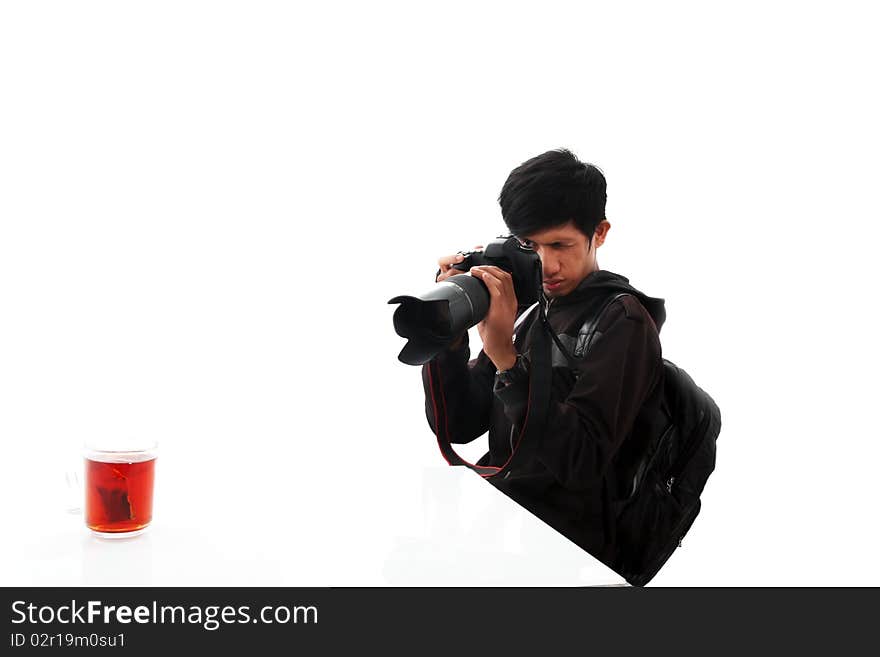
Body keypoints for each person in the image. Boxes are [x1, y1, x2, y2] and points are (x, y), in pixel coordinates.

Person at [421, 148, 667, 567]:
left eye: (560, 244)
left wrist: (506, 361)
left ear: (600, 232)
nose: (546, 263)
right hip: (505, 531)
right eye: (528, 244)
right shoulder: (533, 309)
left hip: (571, 552)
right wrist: (450, 331)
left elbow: (580, 463)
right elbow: (461, 424)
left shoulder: (624, 322)